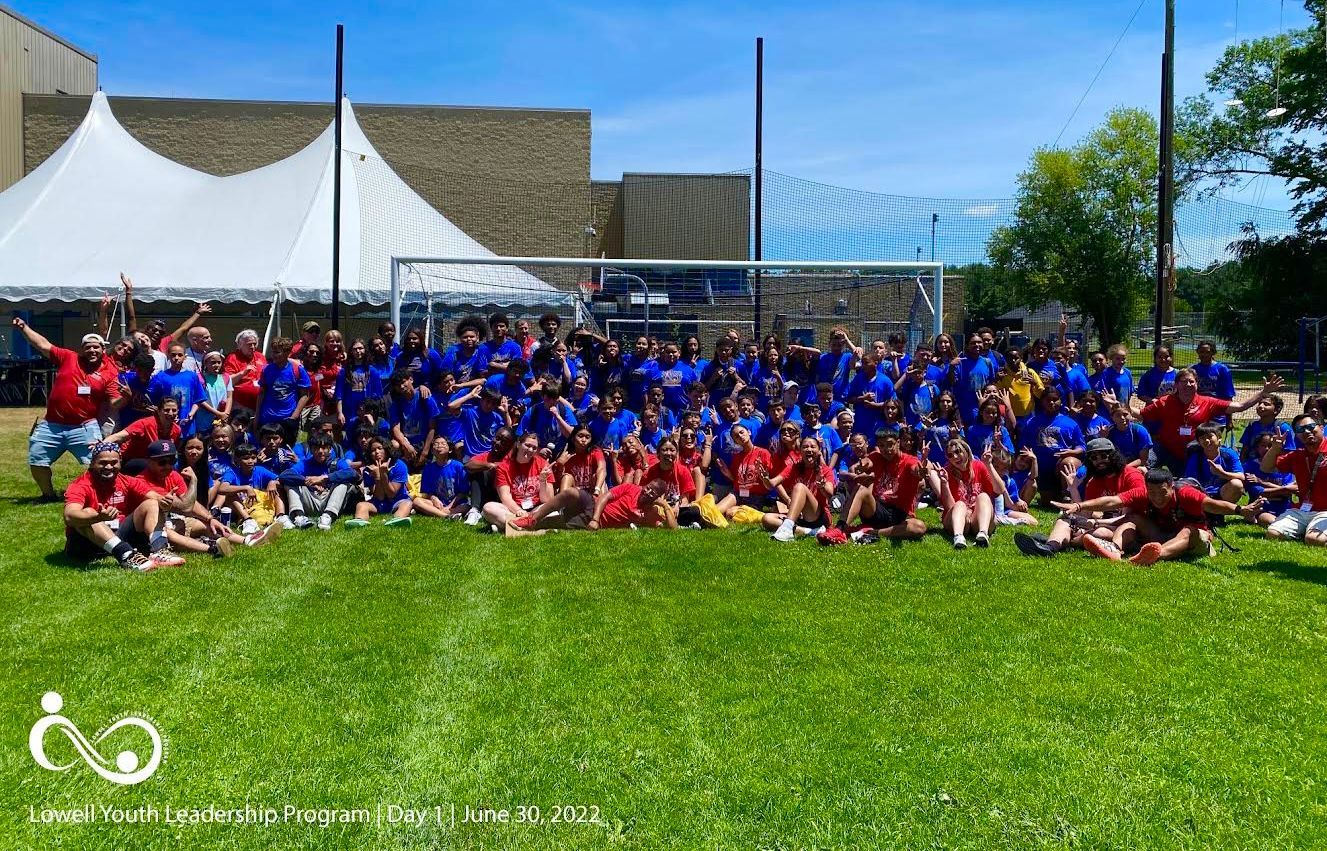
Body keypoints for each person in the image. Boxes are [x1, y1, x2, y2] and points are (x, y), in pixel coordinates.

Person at [12, 317, 125, 500]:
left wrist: (127, 396)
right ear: (82, 349)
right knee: (36, 460)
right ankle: (48, 494)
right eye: (87, 346)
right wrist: (24, 327)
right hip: (51, 425)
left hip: (84, 426)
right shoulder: (68, 357)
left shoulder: (109, 373)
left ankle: (97, 494)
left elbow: (114, 403)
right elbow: (43, 344)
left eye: (96, 347)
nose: (92, 350)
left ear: (103, 350)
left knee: (101, 461)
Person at [1053, 467, 1256, 565]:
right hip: (1159, 534)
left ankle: (1152, 556)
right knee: (1132, 519)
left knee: (1188, 531)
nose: (1157, 498)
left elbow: (1214, 505)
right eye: (1153, 493)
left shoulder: (1186, 493)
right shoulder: (1143, 493)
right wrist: (1079, 506)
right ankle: (1114, 549)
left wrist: (1239, 510)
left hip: (1194, 540)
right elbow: (1112, 501)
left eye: (1163, 493)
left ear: (1171, 487)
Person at [1133, 369, 1283, 474]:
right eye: (1184, 381)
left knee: (1186, 482)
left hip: (1192, 452)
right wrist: (1121, 406)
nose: (1188, 385)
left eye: (1192, 381)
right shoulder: (1165, 402)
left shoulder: (1208, 402)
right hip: (1166, 448)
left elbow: (1239, 407)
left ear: (1197, 384)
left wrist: (1263, 393)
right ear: (1176, 384)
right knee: (1143, 467)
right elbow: (1140, 415)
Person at [63, 442, 185, 570]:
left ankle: (159, 550)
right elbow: (69, 516)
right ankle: (127, 555)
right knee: (88, 511)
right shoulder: (80, 485)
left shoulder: (126, 481)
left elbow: (154, 497)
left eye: (114, 462)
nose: (109, 467)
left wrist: (164, 501)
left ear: (120, 462)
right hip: (87, 544)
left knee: (151, 503)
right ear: (92, 463)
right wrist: (98, 516)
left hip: (119, 534)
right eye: (103, 463)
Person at [1014, 439, 1144, 558]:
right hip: (1102, 523)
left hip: (1125, 526)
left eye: (1104, 456)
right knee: (1065, 521)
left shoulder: (1131, 475)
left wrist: (1095, 523)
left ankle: (1065, 541)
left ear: (1114, 456)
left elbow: (1129, 517)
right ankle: (1049, 547)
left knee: (1100, 533)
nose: (1099, 461)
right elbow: (1085, 513)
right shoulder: (1094, 481)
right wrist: (1073, 489)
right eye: (1094, 458)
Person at [836, 428, 927, 539]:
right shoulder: (876, 457)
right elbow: (866, 463)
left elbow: (915, 469)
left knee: (919, 527)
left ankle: (872, 532)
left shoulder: (909, 460)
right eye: (882, 446)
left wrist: (919, 472)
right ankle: (839, 529)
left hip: (899, 514)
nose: (886, 449)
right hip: (876, 509)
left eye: (890, 445)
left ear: (898, 443)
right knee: (861, 489)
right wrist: (861, 467)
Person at [1260, 413, 1327, 546]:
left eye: (1311, 427)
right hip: (1302, 509)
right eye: (1301, 430)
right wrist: (1275, 448)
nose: (1307, 431)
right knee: (1273, 534)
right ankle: (1305, 531)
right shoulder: (1298, 455)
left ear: (1321, 428)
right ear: (1297, 435)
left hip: (1325, 511)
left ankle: (1310, 533)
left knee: (1314, 540)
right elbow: (1265, 468)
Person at [929, 437, 1007, 549]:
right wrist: (944, 483)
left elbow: (1000, 490)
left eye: (958, 451)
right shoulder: (947, 472)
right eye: (950, 455)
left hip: (979, 518)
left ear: (966, 450)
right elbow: (950, 507)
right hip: (958, 520)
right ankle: (959, 537)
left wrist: (988, 465)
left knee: (983, 496)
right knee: (960, 504)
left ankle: (983, 534)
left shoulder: (979, 466)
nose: (955, 457)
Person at [764, 437, 837, 541]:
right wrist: (765, 479)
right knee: (767, 519)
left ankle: (787, 527)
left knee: (799, 487)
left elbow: (830, 494)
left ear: (819, 450)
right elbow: (772, 484)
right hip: (799, 516)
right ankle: (809, 531)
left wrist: (822, 485)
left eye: (813, 447)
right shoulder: (794, 467)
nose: (809, 449)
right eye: (805, 447)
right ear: (800, 451)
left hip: (817, 516)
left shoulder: (825, 470)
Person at [279, 433, 355, 530]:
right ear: (311, 450)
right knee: (290, 482)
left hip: (329, 500)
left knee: (343, 482)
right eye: (316, 448)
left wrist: (324, 478)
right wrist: (309, 480)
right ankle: (299, 516)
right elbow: (284, 475)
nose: (320, 451)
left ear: (330, 449)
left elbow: (352, 473)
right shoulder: (305, 463)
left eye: (324, 448)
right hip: (310, 499)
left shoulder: (338, 462)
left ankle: (327, 517)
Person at [482, 432, 553, 531]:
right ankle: (531, 527)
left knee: (553, 511)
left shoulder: (543, 464)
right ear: (518, 444)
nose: (530, 450)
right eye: (527, 445)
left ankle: (510, 526)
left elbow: (547, 500)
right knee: (488, 508)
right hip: (513, 510)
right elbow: (505, 497)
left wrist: (542, 480)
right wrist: (519, 510)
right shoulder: (504, 467)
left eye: (534, 448)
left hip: (536, 509)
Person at [345, 437, 413, 528]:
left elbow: (391, 494)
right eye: (373, 450)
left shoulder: (399, 465)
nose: (376, 452)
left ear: (387, 449)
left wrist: (383, 474)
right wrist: (377, 477)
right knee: (361, 505)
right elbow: (379, 496)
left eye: (380, 448)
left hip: (398, 501)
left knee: (407, 503)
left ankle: (397, 519)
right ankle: (359, 521)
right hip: (379, 503)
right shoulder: (368, 470)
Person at [103, 396, 183, 472]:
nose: (171, 413)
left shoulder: (177, 430)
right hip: (131, 460)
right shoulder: (145, 423)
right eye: (166, 410)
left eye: (174, 410)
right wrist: (102, 445)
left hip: (156, 462)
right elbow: (119, 436)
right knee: (154, 466)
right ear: (158, 411)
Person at [256, 337, 311, 440]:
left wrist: (294, 416)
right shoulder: (267, 369)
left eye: (277, 352)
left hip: (287, 418)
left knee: (288, 449)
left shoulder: (297, 369)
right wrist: (257, 415)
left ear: (287, 353)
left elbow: (305, 395)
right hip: (268, 417)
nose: (273, 355)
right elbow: (261, 393)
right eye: (273, 352)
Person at [146, 343, 206, 435]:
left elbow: (198, 399)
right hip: (167, 424)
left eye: (180, 355)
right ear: (168, 356)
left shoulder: (192, 376)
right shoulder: (161, 376)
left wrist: (192, 413)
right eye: (173, 355)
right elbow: (153, 400)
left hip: (187, 424)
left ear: (185, 357)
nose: (176, 358)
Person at [578, 478, 677, 531]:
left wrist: (665, 505)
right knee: (573, 494)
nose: (647, 492)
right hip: (593, 510)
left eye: (652, 493)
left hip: (598, 523)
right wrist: (595, 519)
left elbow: (673, 529)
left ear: (657, 498)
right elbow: (605, 497)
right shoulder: (630, 488)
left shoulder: (650, 512)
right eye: (648, 488)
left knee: (566, 522)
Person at [1182, 423, 1245, 504]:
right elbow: (1189, 480)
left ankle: (1222, 511)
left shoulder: (1229, 454)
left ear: (1219, 438)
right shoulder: (1196, 457)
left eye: (1210, 437)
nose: (1207, 441)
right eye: (1202, 438)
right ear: (1198, 442)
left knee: (1237, 484)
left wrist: (1222, 473)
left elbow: (1241, 476)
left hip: (1222, 492)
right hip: (1201, 494)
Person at [414, 435, 471, 520]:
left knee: (466, 506)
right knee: (417, 501)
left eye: (443, 444)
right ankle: (446, 516)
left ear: (450, 449)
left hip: (456, 503)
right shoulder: (428, 468)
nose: (439, 446)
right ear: (432, 451)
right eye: (436, 444)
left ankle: (435, 512)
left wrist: (449, 506)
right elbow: (426, 492)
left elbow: (463, 492)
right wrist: (433, 498)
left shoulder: (458, 466)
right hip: (437, 504)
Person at [1238, 394, 1294, 462]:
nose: (1260, 406)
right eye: (1259, 403)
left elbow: (1289, 452)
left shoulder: (1283, 428)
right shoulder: (1252, 426)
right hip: (1252, 467)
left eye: (1266, 404)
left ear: (1276, 410)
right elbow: (1244, 450)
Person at [223, 329, 266, 415]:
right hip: (241, 405)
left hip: (261, 402)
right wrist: (243, 373)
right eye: (249, 344)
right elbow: (227, 381)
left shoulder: (260, 356)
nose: (253, 347)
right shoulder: (233, 358)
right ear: (240, 345)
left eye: (255, 344)